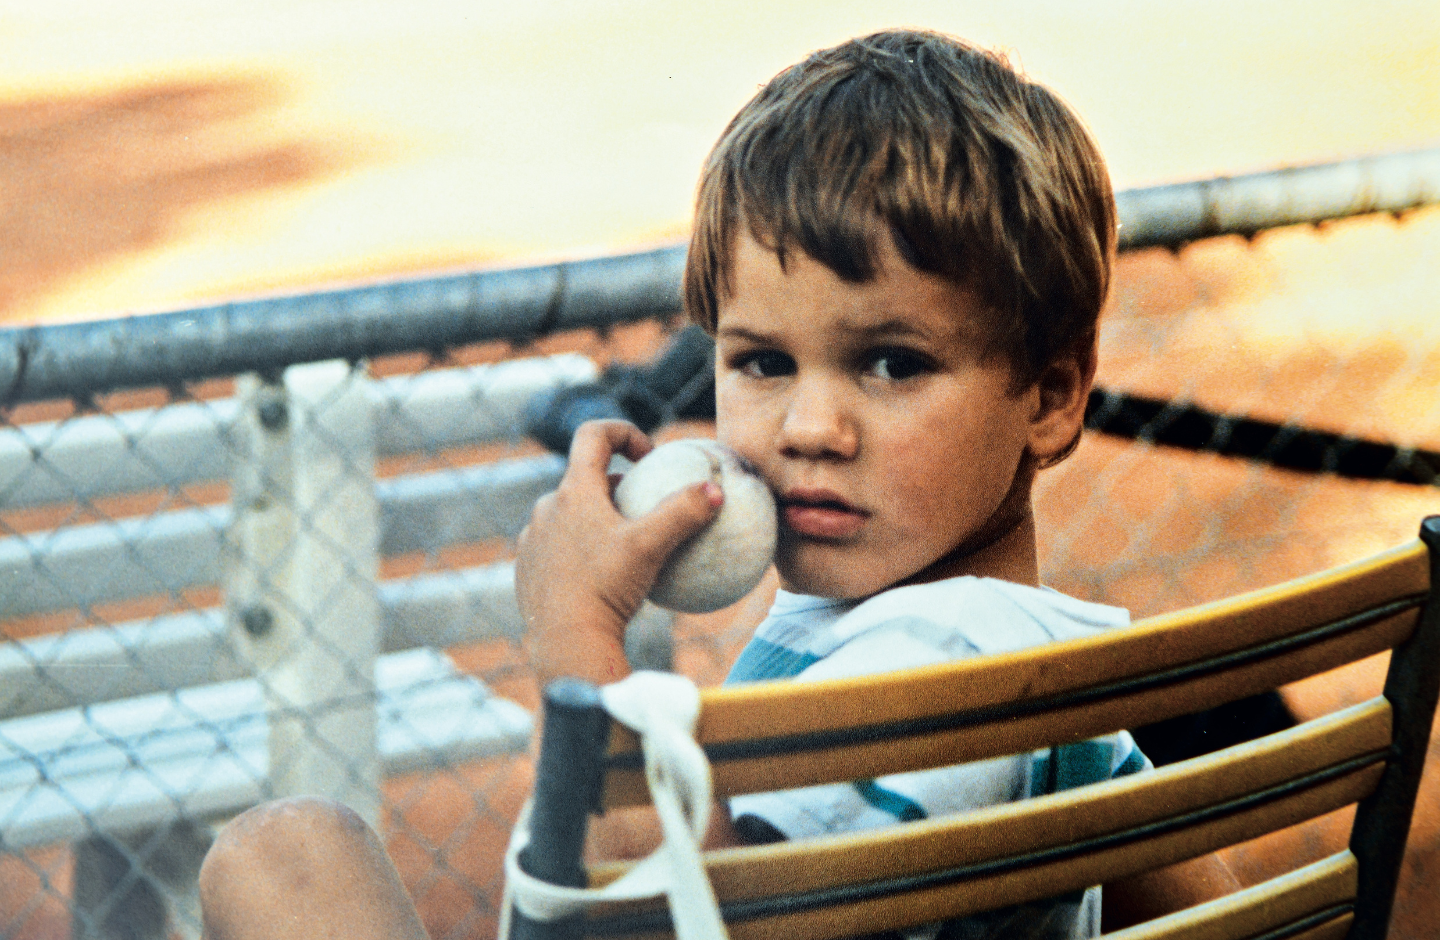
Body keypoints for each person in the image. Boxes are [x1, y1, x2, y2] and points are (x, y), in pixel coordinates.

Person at [198, 28, 1237, 940]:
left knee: (287, 857)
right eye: (761, 361)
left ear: (1050, 395)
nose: (811, 428)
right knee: (287, 852)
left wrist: (577, 636)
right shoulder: (1038, 663)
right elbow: (1204, 905)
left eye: (893, 363)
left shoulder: (941, 659)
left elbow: (695, 920)